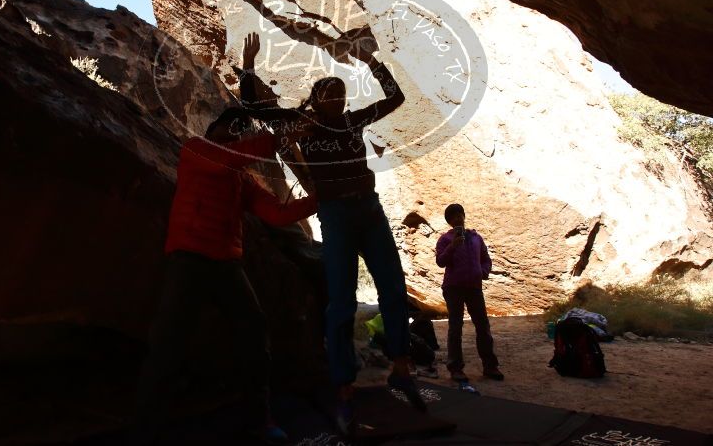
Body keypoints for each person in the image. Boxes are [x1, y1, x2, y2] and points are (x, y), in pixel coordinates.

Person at [131, 105, 316, 445]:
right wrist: (280, 138)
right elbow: (231, 158)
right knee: (167, 343)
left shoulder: (242, 179)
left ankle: (258, 419)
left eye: (240, 129)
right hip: (188, 258)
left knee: (254, 335)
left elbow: (277, 214)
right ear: (213, 128)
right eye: (230, 126)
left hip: (227, 264)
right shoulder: (196, 150)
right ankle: (147, 430)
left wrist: (321, 199)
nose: (235, 132)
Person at [295, 35, 426, 435]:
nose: (338, 99)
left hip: (369, 210)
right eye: (329, 93)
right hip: (336, 214)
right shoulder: (303, 129)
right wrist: (248, 69)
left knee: (392, 286)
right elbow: (266, 115)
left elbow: (396, 98)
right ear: (316, 101)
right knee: (341, 301)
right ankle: (345, 386)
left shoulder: (353, 120)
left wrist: (371, 61)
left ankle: (401, 368)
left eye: (341, 93)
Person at [435, 203, 503, 382]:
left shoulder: (476, 238)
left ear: (464, 216)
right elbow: (440, 262)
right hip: (453, 288)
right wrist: (453, 246)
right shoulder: (444, 239)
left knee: (483, 326)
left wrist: (483, 272)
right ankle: (455, 368)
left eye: (460, 214)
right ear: (449, 221)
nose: (458, 218)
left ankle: (490, 366)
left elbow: (486, 259)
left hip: (474, 287)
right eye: (453, 216)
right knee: (455, 327)